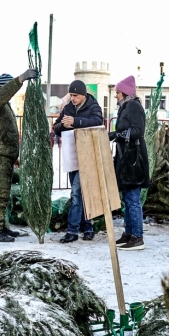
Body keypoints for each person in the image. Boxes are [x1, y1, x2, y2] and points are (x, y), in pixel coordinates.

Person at [0, 69, 38, 242]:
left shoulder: (4, 106)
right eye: (7, 89)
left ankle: (2, 226)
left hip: (5, 154)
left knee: (3, 193)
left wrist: (14, 155)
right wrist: (20, 80)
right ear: (1, 88)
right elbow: (1, 95)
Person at [53, 80, 105, 243]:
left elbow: (97, 122)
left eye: (75, 95)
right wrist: (63, 124)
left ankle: (72, 230)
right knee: (82, 193)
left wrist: (76, 122)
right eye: (71, 95)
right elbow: (56, 128)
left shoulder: (93, 106)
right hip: (72, 155)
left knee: (76, 192)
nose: (73, 98)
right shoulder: (68, 108)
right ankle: (88, 227)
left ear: (83, 95)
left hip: (88, 156)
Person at [109, 75, 149, 251]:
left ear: (125, 93)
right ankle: (129, 233)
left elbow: (138, 131)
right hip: (127, 158)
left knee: (133, 199)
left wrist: (117, 134)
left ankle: (137, 237)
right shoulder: (126, 107)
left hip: (134, 158)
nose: (116, 95)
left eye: (117, 92)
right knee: (127, 198)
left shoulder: (133, 107)